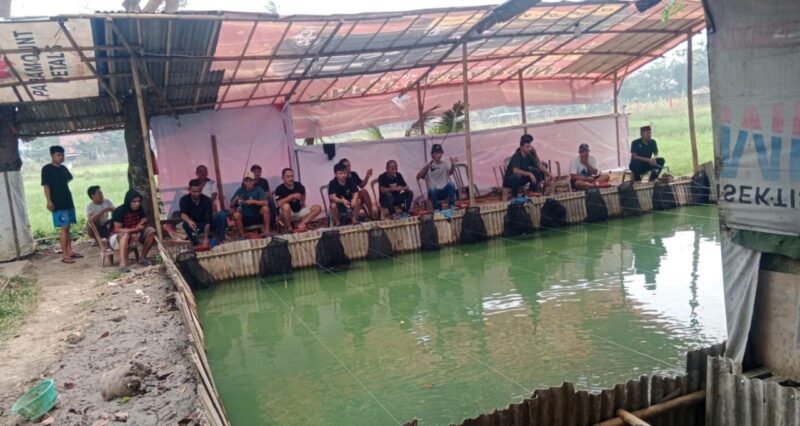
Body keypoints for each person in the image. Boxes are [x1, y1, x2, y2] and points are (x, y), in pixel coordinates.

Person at [42, 145, 81, 263]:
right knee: (64, 228)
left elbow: (69, 178)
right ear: (52, 155)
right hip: (57, 203)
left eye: (62, 155)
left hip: (68, 200)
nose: (61, 157)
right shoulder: (47, 169)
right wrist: (49, 200)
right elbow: (46, 186)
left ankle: (70, 251)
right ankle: (64, 255)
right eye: (58, 155)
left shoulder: (63, 168)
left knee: (68, 227)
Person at [110, 190, 157, 272]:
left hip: (134, 234)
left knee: (151, 231)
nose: (137, 204)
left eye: (139, 201)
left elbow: (144, 219)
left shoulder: (139, 208)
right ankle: (122, 264)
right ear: (128, 201)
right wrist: (136, 229)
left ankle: (142, 258)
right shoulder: (120, 210)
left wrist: (141, 223)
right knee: (125, 234)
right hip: (117, 238)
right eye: (134, 202)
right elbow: (117, 229)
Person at [503, 134, 550, 200]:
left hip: (520, 179)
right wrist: (529, 174)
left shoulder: (529, 155)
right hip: (510, 181)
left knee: (535, 171)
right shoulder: (516, 155)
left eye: (530, 147)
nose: (529, 149)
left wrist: (549, 174)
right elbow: (515, 170)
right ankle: (515, 197)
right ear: (521, 147)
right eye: (527, 147)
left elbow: (538, 165)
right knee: (517, 176)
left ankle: (532, 191)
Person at [274, 168, 321, 232]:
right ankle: (289, 228)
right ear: (283, 178)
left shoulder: (298, 185)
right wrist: (291, 197)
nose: (290, 178)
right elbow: (279, 203)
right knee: (286, 206)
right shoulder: (279, 189)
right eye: (288, 177)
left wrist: (303, 202)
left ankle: (301, 224)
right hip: (287, 213)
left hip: (299, 210)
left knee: (317, 208)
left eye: (292, 176)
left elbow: (303, 191)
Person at [229, 171, 273, 238]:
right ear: (244, 182)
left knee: (266, 208)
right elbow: (231, 205)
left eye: (251, 180)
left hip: (257, 214)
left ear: (254, 181)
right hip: (244, 215)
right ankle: (242, 236)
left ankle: (267, 232)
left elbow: (266, 202)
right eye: (246, 181)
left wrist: (254, 201)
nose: (249, 182)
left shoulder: (259, 189)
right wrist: (235, 200)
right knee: (236, 215)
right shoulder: (240, 190)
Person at [416, 144, 457, 211]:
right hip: (433, 193)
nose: (439, 155)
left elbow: (450, 173)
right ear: (432, 154)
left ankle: (451, 206)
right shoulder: (428, 165)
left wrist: (452, 164)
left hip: (443, 191)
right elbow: (418, 177)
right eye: (437, 153)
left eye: (440, 153)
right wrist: (425, 169)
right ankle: (436, 209)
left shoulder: (444, 164)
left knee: (451, 184)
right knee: (432, 189)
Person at [179, 179, 213, 246]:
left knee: (221, 216)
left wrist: (205, 239)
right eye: (194, 192)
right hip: (195, 225)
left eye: (199, 191)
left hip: (207, 224)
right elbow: (182, 214)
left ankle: (221, 238)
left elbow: (208, 221)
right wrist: (189, 221)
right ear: (189, 190)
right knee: (185, 224)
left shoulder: (207, 200)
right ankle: (196, 243)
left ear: (202, 189)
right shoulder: (184, 200)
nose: (197, 193)